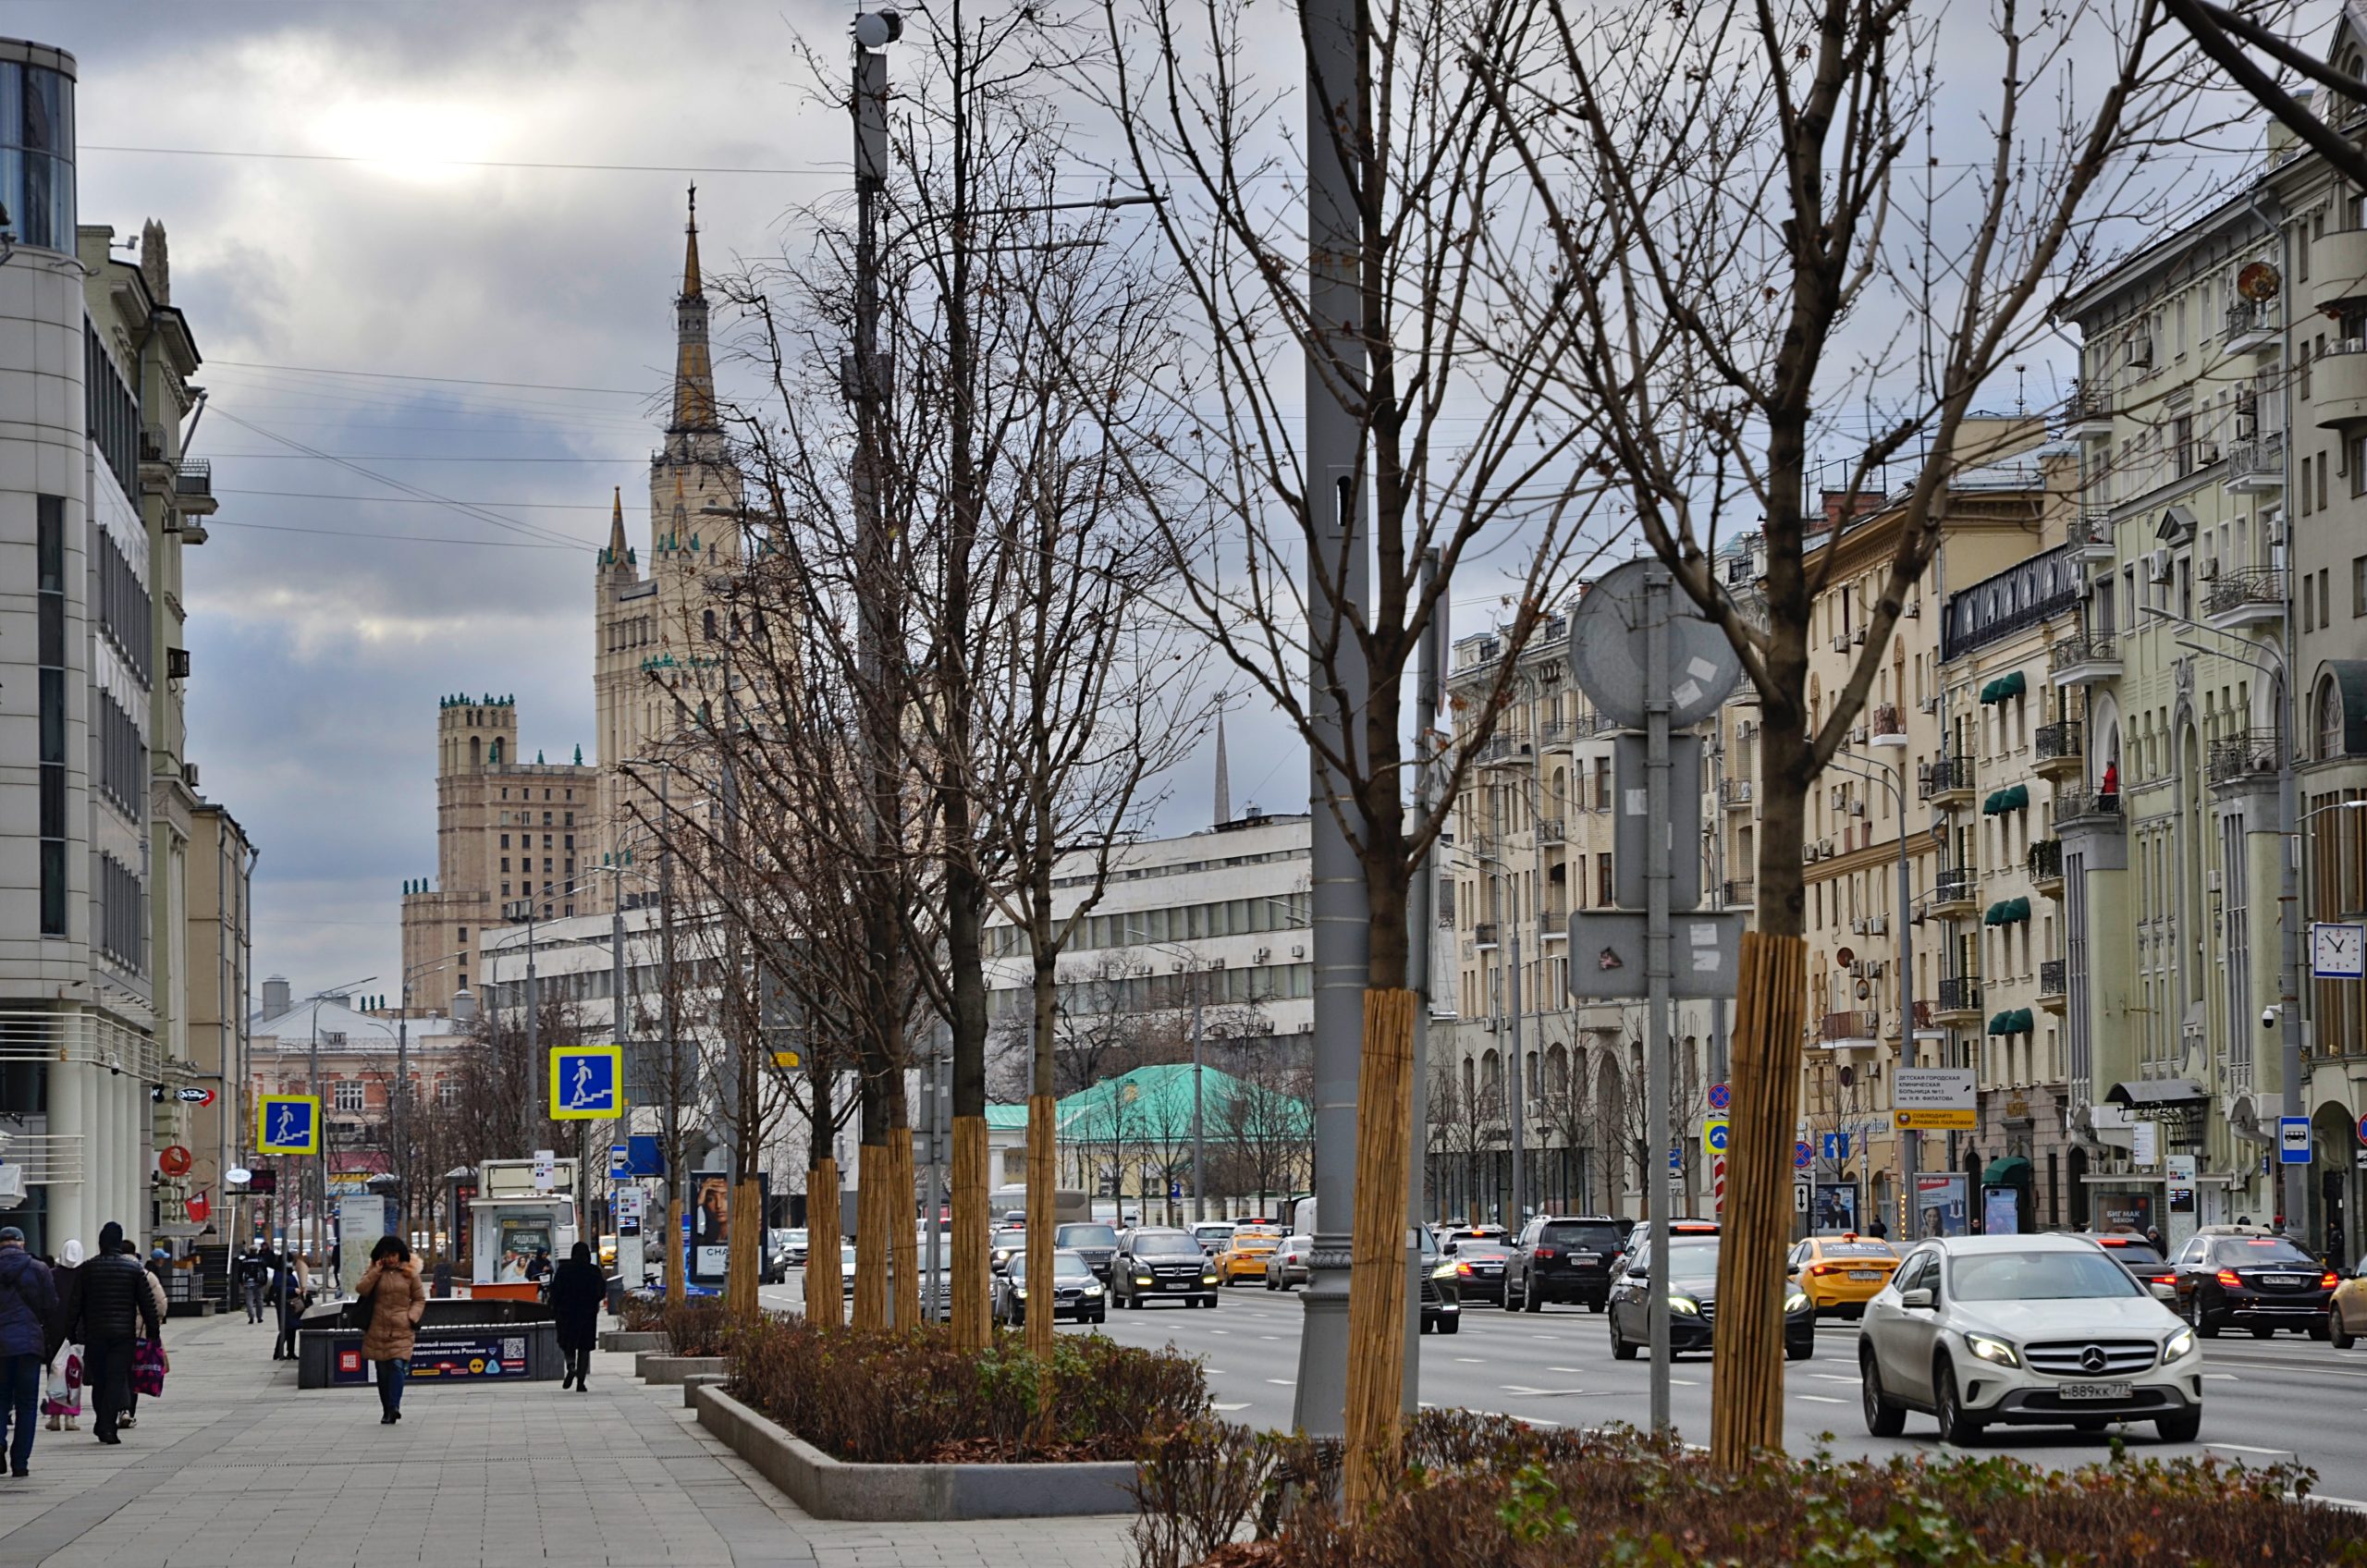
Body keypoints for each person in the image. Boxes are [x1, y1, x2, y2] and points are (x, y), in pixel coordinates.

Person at [59, 1222, 161, 1444]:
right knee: (116, 1378)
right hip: (123, 1335)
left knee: (100, 1380)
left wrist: (71, 1332)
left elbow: (75, 1304)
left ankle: (102, 1421)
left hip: (95, 1333)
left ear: (100, 1243)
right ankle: (107, 1426)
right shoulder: (133, 1270)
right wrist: (153, 1332)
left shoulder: (87, 1268)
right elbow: (147, 1304)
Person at [0, 1227, 57, 1477]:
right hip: (29, 1344)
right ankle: (20, 1462)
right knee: (26, 1404)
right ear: (21, 1243)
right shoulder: (38, 1268)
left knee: (0, 1399)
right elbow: (50, 1305)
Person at [352, 1237, 424, 1425]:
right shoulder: (375, 1272)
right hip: (377, 1327)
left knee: (397, 1366)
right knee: (382, 1371)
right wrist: (375, 1271)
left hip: (402, 1328)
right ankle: (387, 1410)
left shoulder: (410, 1273)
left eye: (393, 1255)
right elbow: (361, 1289)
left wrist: (411, 1317)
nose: (391, 1259)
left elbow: (419, 1299)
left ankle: (394, 1406)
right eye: (386, 1256)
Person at [547, 1241, 604, 1392]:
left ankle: (571, 1366)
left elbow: (555, 1291)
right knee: (584, 1348)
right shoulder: (594, 1271)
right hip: (587, 1314)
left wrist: (553, 1307)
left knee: (568, 1343)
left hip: (566, 1314)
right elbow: (601, 1292)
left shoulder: (564, 1270)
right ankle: (581, 1382)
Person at [43, 1241, 83, 1433]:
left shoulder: (51, 1275)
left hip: (54, 1332)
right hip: (76, 1333)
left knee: (55, 1372)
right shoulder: (84, 1276)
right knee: (74, 1374)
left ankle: (54, 1415)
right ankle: (70, 1417)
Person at [272, 1251, 309, 1362]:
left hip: (292, 1304)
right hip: (285, 1304)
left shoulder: (289, 1273)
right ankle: (278, 1352)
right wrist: (293, 1290)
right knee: (285, 1328)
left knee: (292, 1328)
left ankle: (290, 1351)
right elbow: (279, 1288)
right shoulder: (279, 1273)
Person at [237, 1243, 270, 1323]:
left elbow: (240, 1272)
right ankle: (259, 1317)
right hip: (258, 1283)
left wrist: (241, 1281)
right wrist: (265, 1281)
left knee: (249, 1300)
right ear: (256, 1251)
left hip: (248, 1283)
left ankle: (251, 1316)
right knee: (259, 1300)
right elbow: (265, 1271)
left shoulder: (244, 1260)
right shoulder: (260, 1260)